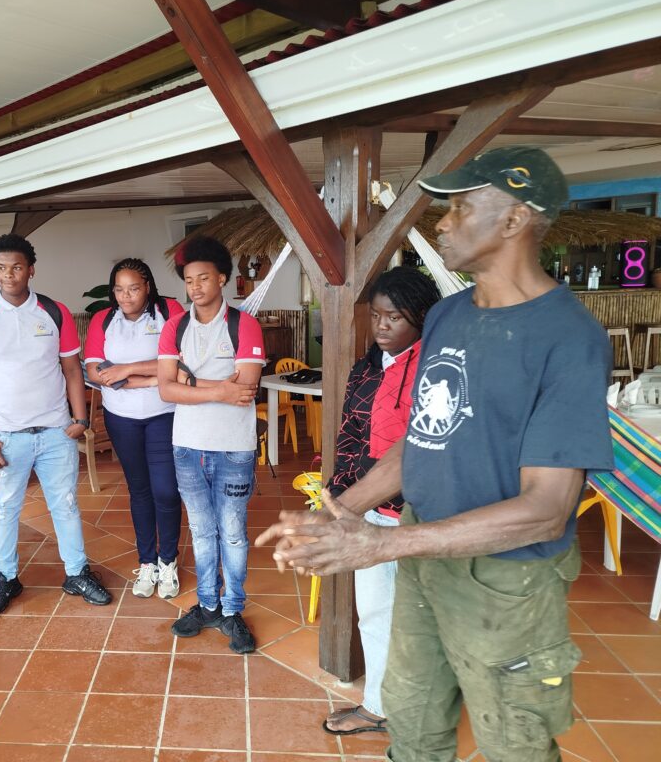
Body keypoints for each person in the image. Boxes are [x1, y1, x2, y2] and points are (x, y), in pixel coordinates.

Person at [257, 147, 613, 762]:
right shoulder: (447, 316)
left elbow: (546, 510)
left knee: (514, 744)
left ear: (514, 220)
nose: (443, 224)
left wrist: (383, 545)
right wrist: (340, 512)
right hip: (424, 554)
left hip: (506, 582)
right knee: (414, 720)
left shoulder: (568, 337)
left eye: (462, 208)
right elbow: (421, 438)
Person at [0, 233, 112, 617]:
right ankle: (6, 577)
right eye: (1, 269)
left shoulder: (54, 312)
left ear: (31, 270)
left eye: (17, 267)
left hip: (56, 433)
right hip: (6, 437)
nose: (9, 275)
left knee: (66, 506)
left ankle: (77, 573)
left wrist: (80, 419)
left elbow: (72, 369)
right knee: (4, 509)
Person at [321, 267, 440, 736]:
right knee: (373, 610)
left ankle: (425, 709)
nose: (382, 326)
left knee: (423, 616)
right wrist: (340, 496)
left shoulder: (437, 368)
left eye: (395, 317)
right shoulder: (367, 368)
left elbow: (431, 446)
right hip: (370, 512)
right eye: (376, 316)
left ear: (421, 317)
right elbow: (350, 435)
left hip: (420, 515)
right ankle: (378, 706)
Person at [158, 235, 264, 654]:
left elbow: (247, 387)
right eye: (189, 280)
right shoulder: (175, 327)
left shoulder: (243, 325)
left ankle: (232, 609)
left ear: (221, 278)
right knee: (201, 531)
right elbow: (166, 389)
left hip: (234, 447)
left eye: (203, 278)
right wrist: (219, 388)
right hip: (186, 446)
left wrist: (188, 379)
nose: (196, 286)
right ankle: (206, 604)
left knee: (232, 533)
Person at [85, 259, 186, 598]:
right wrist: (154, 378)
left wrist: (126, 371)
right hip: (121, 418)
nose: (125, 296)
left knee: (166, 490)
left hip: (164, 414)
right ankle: (147, 562)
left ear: (147, 287)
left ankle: (168, 561)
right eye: (119, 289)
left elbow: (180, 361)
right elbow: (95, 371)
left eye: (133, 288)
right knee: (139, 490)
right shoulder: (103, 319)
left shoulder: (169, 310)